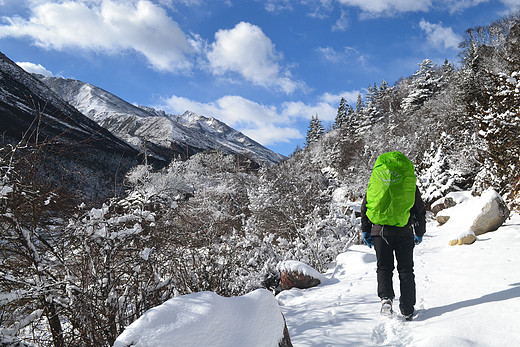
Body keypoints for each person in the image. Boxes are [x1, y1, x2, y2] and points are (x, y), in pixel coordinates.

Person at [360, 151, 426, 321]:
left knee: (384, 267)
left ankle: (386, 298)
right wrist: (419, 232)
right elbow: (419, 209)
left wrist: (366, 229)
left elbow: (366, 206)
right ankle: (407, 309)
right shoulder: (408, 183)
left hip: (380, 232)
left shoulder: (376, 182)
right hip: (404, 231)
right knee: (405, 269)